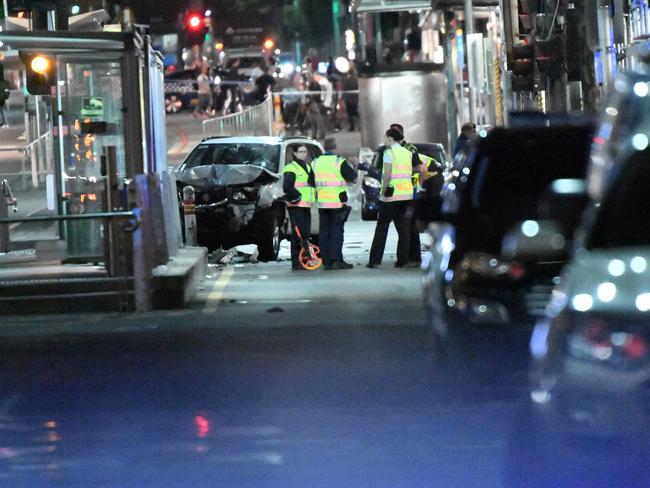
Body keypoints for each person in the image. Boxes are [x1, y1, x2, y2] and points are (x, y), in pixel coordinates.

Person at [367, 128, 416, 268]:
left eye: (385, 138)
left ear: (390, 139)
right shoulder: (408, 153)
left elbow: (387, 174)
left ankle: (375, 261)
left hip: (391, 195)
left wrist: (383, 191)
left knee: (382, 227)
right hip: (406, 195)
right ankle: (403, 261)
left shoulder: (388, 153)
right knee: (404, 229)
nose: (384, 140)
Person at [311, 138, 357, 270]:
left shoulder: (315, 162)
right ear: (335, 147)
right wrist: (354, 165)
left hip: (322, 203)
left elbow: (311, 181)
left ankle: (326, 261)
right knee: (336, 231)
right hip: (337, 203)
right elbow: (353, 178)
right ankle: (337, 260)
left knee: (324, 232)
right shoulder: (339, 161)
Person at [282, 144, 316, 271]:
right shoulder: (291, 168)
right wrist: (298, 197)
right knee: (298, 235)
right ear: (295, 153)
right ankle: (297, 263)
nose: (304, 154)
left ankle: (304, 260)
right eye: (301, 152)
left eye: (305, 152)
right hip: (296, 206)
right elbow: (287, 187)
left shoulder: (307, 167)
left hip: (305, 206)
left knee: (305, 235)